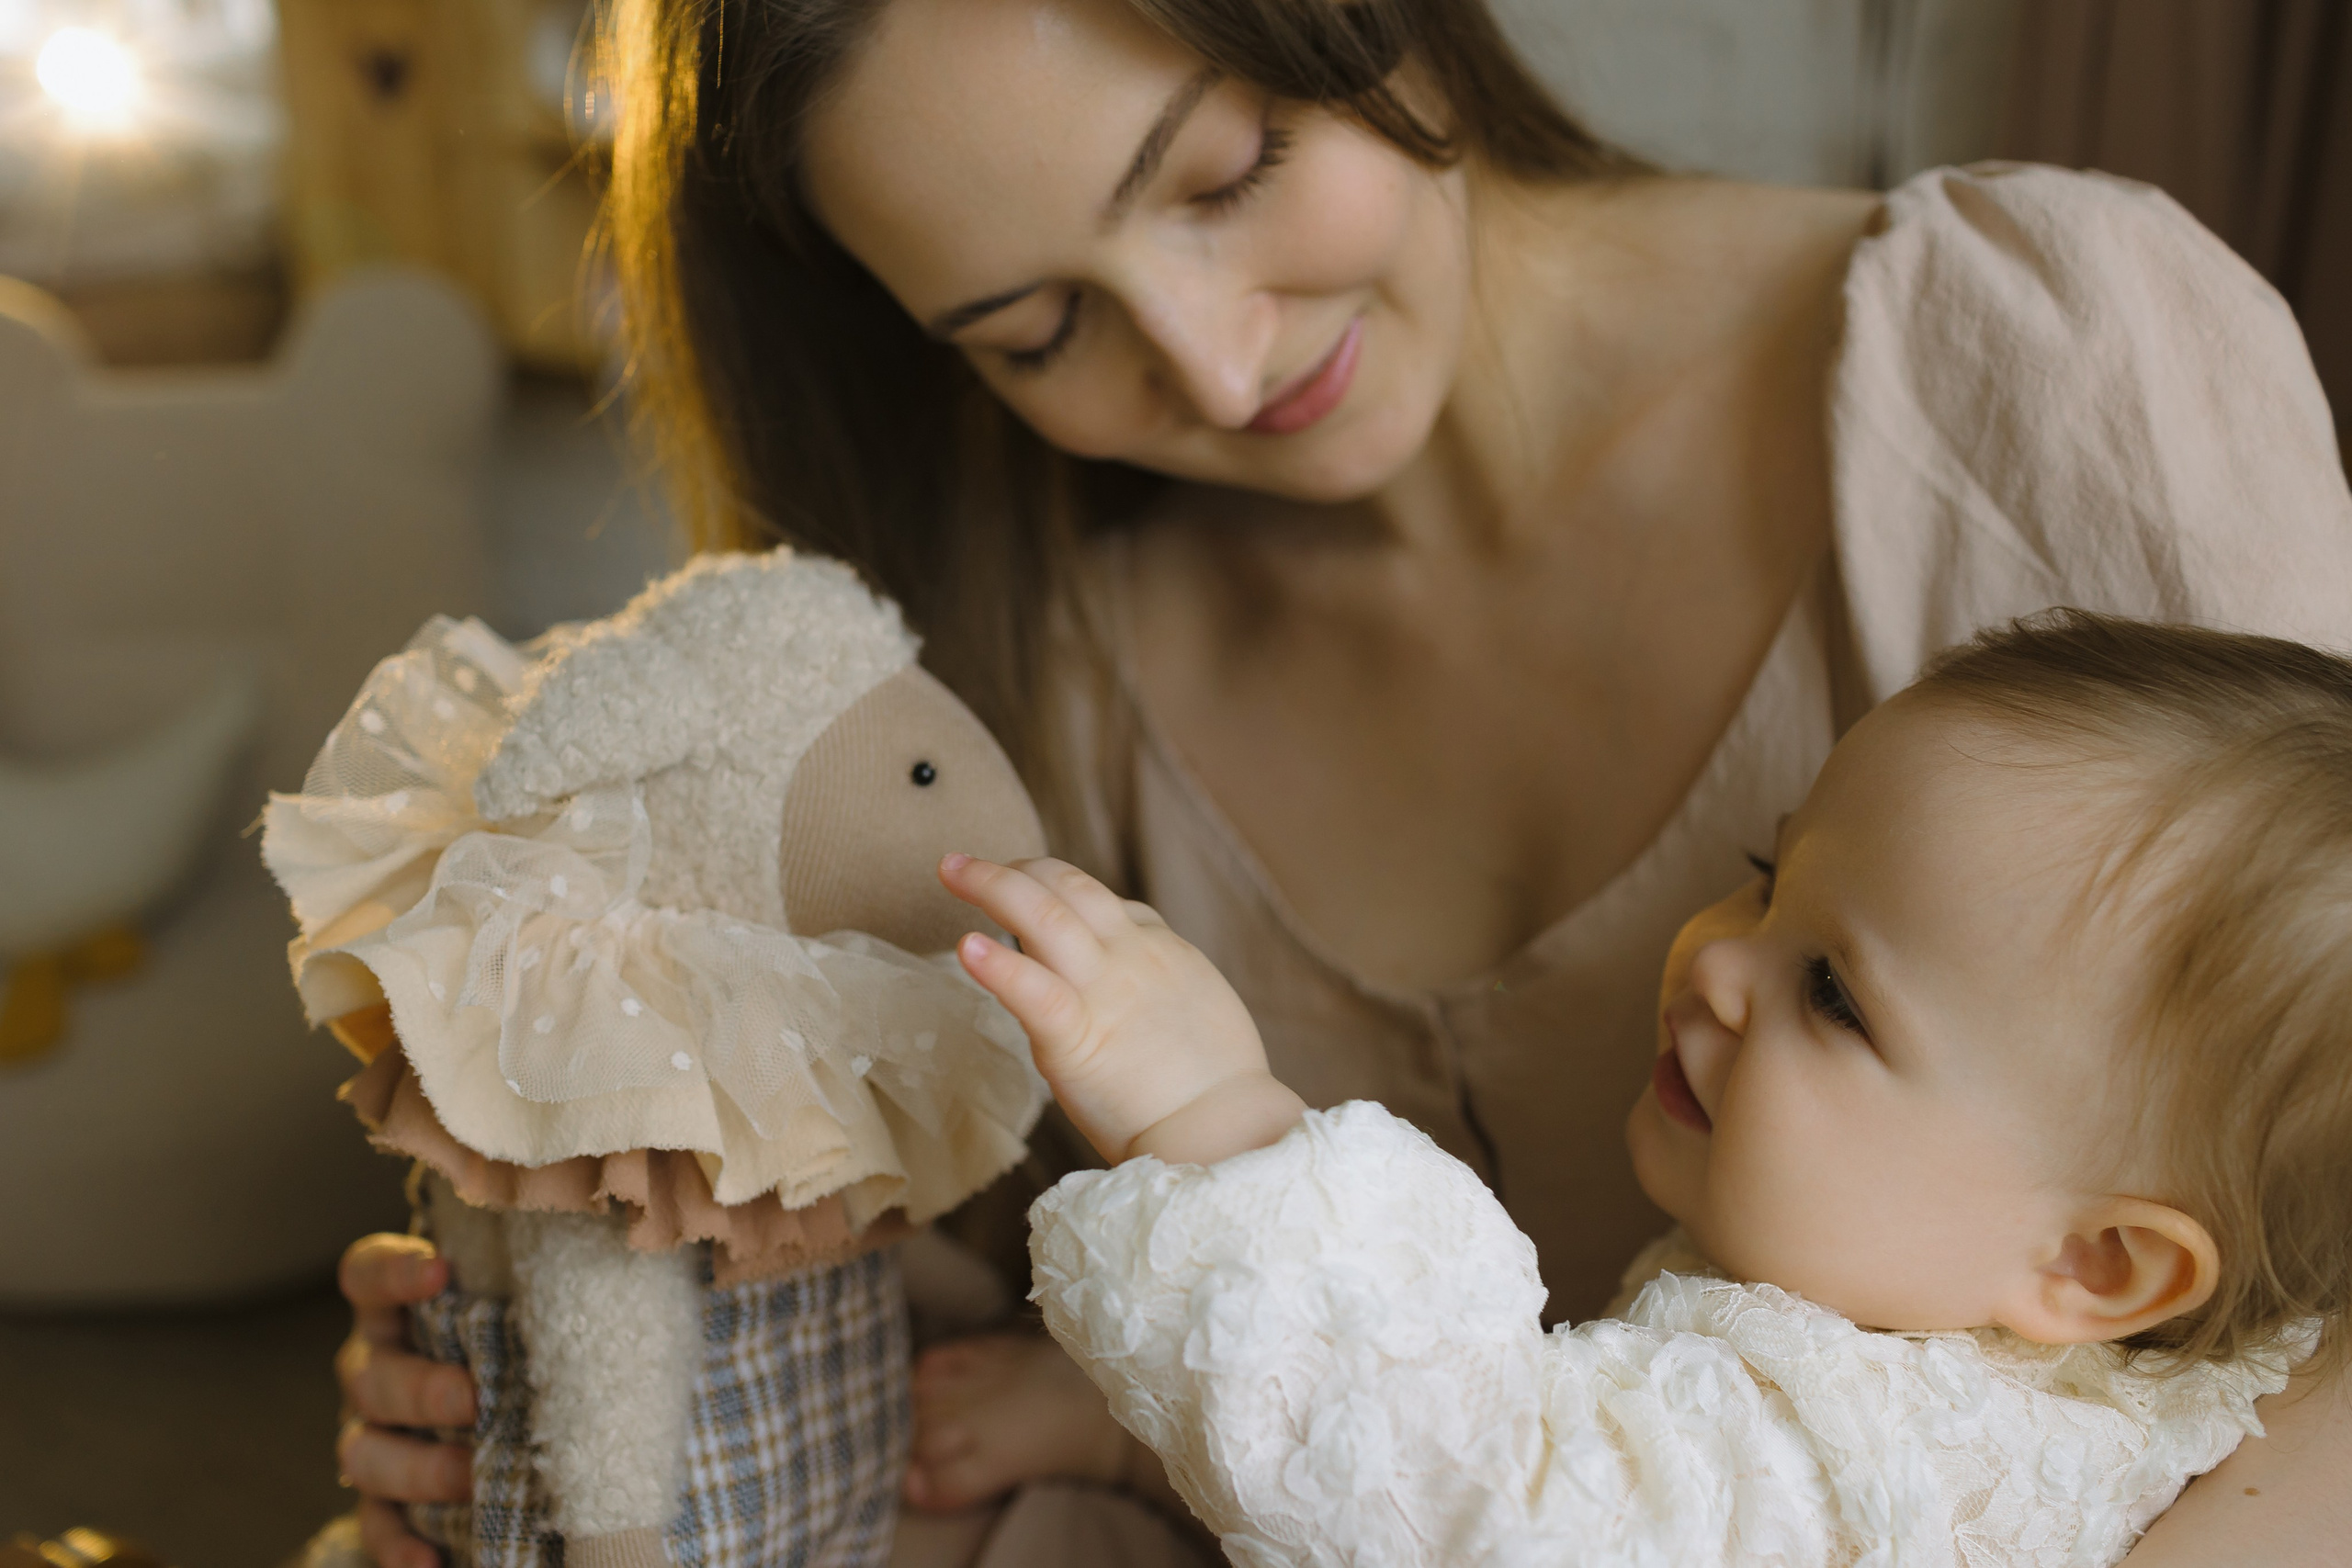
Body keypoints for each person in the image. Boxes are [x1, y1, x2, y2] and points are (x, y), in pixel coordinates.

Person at [326, 0, 2352, 1562]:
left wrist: (1212, 1125)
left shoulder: (2033, 356)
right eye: (1036, 328)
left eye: (1219, 172)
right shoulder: (1047, 652)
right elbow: (956, 1303)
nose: (1211, 367)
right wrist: (585, 1310)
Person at [941, 611, 2351, 1566]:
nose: (1719, 964)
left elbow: (1464, 1504)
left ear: (2095, 1262)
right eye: (1765, 876)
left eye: (1835, 995)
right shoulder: (2029, 1356)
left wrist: (1214, 1126)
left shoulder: (1853, 1469)